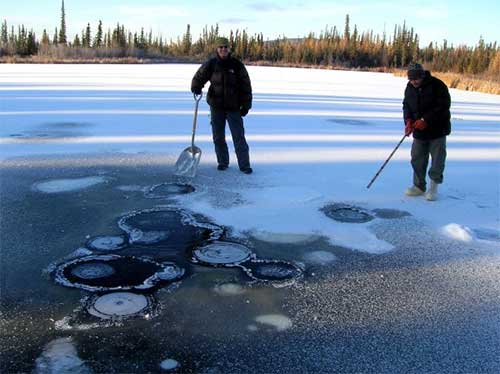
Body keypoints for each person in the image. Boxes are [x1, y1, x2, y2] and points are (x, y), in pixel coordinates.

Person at [191, 37, 253, 174]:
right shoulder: (211, 64)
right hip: (216, 106)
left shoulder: (236, 65)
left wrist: (246, 105)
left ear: (229, 49)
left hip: (234, 107)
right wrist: (196, 86)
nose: (223, 49)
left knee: (238, 136)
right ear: (217, 49)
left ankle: (244, 165)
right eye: (221, 47)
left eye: (225, 47)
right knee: (218, 137)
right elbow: (199, 76)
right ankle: (223, 162)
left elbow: (246, 85)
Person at [403, 62, 451, 201]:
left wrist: (426, 120)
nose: (414, 82)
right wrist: (408, 121)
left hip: (437, 130)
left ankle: (433, 188)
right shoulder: (409, 87)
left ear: (423, 76)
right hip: (419, 130)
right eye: (411, 79)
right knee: (417, 158)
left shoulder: (437, 85)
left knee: (437, 160)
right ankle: (419, 186)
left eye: (416, 79)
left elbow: (443, 106)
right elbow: (406, 105)